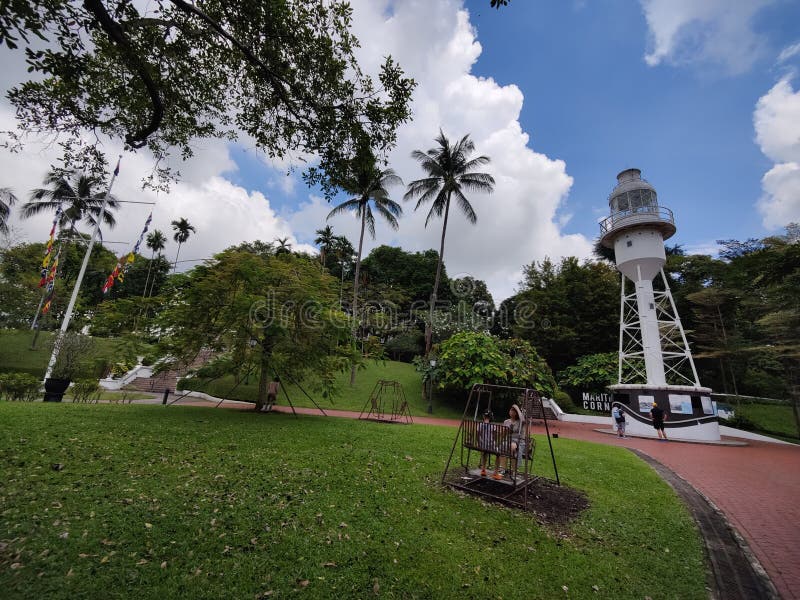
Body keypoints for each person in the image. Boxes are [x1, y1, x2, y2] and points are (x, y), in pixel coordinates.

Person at [493, 404, 525, 480]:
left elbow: (523, 419)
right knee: (501, 447)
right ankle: (503, 468)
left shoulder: (520, 421)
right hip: (508, 440)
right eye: (511, 410)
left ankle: (514, 471)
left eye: (514, 411)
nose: (511, 412)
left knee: (513, 447)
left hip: (518, 441)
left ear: (517, 413)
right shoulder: (506, 421)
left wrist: (517, 407)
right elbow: (503, 434)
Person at [477, 411, 494, 476]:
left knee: (484, 452)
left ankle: (483, 468)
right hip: (487, 444)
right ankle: (484, 468)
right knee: (485, 452)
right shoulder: (492, 425)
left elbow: (478, 434)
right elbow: (494, 436)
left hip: (485, 444)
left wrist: (479, 442)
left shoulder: (480, 424)